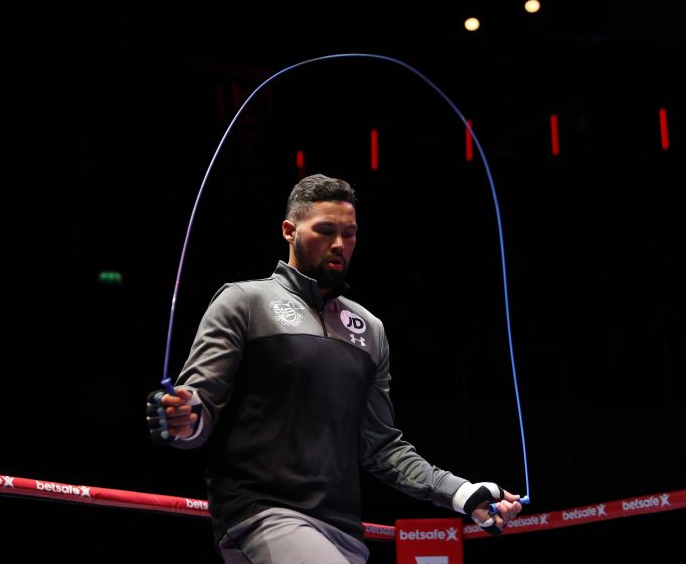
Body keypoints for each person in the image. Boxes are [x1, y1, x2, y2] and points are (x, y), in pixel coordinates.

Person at [147, 173, 523, 563]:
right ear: (289, 231)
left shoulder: (369, 330)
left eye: (350, 233)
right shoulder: (244, 301)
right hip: (262, 514)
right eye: (326, 231)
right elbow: (198, 406)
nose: (339, 245)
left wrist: (463, 494)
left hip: (343, 530)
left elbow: (382, 446)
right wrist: (183, 417)